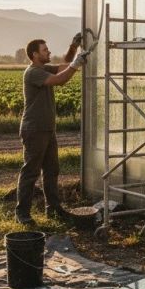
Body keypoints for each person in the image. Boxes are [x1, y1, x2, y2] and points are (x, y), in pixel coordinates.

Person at [15, 35, 87, 225]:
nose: (49, 52)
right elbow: (59, 80)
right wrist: (77, 64)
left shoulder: (43, 68)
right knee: (31, 172)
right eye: (45, 50)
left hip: (47, 129)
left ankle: (53, 209)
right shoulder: (32, 73)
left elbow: (63, 66)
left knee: (51, 170)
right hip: (35, 129)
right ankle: (22, 214)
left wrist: (74, 48)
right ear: (35, 54)